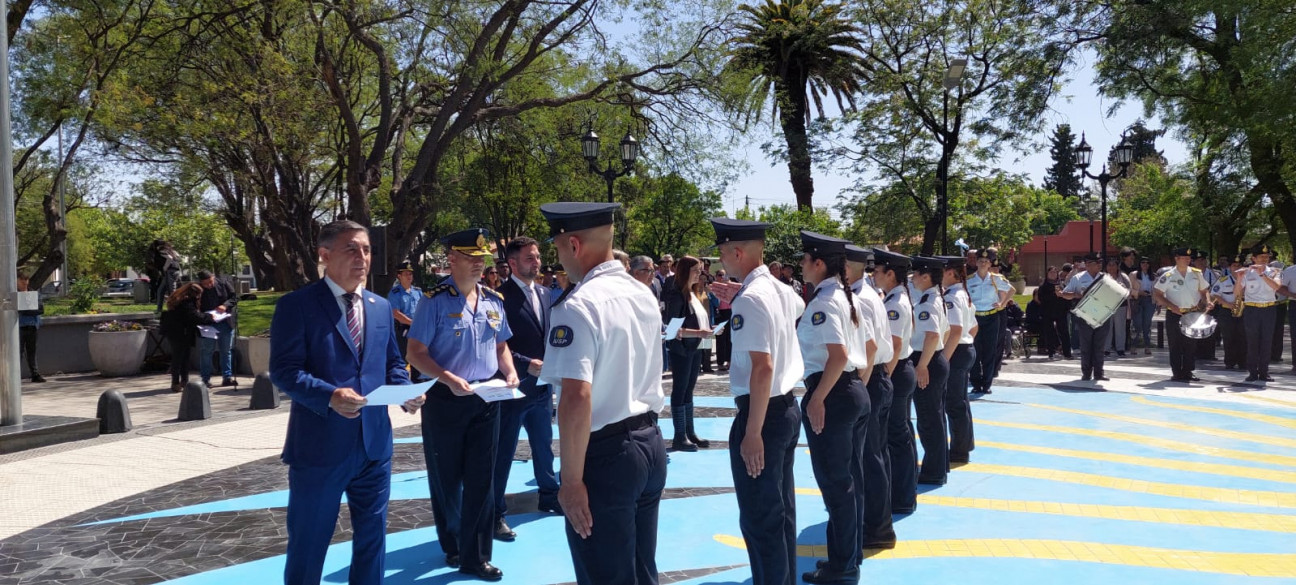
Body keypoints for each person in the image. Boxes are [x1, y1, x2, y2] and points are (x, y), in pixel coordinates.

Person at [269, 220, 424, 585]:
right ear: (325, 256)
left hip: (374, 447)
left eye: (367, 250)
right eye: (352, 249)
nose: (362, 257)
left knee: (372, 542)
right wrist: (330, 395)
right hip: (319, 449)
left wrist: (405, 392)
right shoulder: (297, 306)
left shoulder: (381, 306)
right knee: (309, 543)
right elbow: (284, 371)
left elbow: (390, 364)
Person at [537, 202, 668, 585]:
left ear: (574, 245)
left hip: (607, 455)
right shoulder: (641, 292)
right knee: (643, 571)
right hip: (649, 441)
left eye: (559, 249)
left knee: (604, 574)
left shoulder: (578, 305)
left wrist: (571, 482)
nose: (560, 260)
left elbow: (577, 398)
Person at [407, 227, 520, 582]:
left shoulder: (493, 300)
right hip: (446, 399)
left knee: (481, 479)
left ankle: (476, 555)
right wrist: (447, 378)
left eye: (481, 259)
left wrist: (511, 372)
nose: (477, 265)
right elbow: (416, 353)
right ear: (452, 259)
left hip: (487, 398)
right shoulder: (434, 301)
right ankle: (453, 543)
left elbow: (501, 345)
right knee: (448, 479)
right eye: (470, 258)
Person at [709, 217, 804, 585]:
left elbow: (761, 368)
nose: (721, 261)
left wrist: (752, 432)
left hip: (762, 413)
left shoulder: (751, 298)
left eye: (722, 252)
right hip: (785, 406)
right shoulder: (780, 288)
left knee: (760, 516)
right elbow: (795, 307)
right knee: (781, 510)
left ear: (737, 252)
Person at [793, 231, 871, 583]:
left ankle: (843, 567)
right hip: (849, 391)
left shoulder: (825, 302)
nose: (801, 266)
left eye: (804, 260)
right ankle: (847, 557)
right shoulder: (842, 295)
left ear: (819, 263)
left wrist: (819, 399)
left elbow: (837, 357)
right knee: (848, 481)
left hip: (833, 393)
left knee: (836, 485)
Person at [493, 236, 562, 545]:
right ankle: (495, 513)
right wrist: (523, 364)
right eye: (530, 258)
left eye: (537, 257)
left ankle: (549, 495)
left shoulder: (546, 294)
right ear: (512, 263)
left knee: (544, 445)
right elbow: (496, 345)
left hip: (542, 388)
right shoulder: (498, 298)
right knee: (503, 452)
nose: (537, 262)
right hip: (512, 389)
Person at [844, 244, 895, 550]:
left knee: (868, 458)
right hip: (877, 377)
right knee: (876, 455)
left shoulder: (859, 298)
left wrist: (861, 388)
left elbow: (871, 347)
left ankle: (876, 527)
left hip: (869, 378)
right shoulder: (869, 294)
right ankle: (879, 522)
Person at [872, 248, 917, 514]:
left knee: (896, 437)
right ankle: (904, 492)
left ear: (891, 274)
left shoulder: (895, 303)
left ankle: (901, 496)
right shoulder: (895, 298)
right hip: (900, 369)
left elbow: (896, 344)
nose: (873, 275)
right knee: (901, 434)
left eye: (878, 271)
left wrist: (884, 378)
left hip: (896, 370)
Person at [663, 255, 716, 452]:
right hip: (682, 349)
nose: (699, 274)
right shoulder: (677, 294)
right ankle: (679, 436)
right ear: (685, 271)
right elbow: (673, 327)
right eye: (696, 270)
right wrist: (700, 332)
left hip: (694, 348)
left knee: (689, 389)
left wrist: (708, 329)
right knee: (680, 389)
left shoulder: (693, 293)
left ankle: (689, 432)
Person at [908, 256, 951, 485]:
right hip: (934, 357)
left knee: (928, 418)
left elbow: (933, 335)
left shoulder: (927, 302)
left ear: (926, 276)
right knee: (934, 416)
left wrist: (922, 365)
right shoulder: (934, 298)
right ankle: (939, 465)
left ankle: (934, 471)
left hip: (927, 360)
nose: (912, 278)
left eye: (915, 274)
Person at [940, 256, 978, 463]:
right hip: (964, 348)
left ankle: (959, 450)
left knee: (954, 403)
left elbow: (955, 331)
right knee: (960, 401)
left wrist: (944, 360)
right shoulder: (962, 294)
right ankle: (964, 445)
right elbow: (973, 328)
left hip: (955, 351)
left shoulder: (952, 297)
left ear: (950, 273)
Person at [1153, 247, 1210, 383]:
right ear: (1177, 259)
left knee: (1190, 344)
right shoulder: (1168, 276)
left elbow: (1204, 290)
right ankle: (1177, 372)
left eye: (1189, 258)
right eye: (1185, 258)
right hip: (1175, 314)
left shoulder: (1196, 274)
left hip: (1192, 312)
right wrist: (1171, 306)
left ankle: (1188, 371)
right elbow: (1157, 294)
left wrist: (1207, 301)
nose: (1188, 260)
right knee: (1175, 344)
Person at [967, 248, 1013, 394]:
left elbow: (1011, 290)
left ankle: (986, 384)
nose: (983, 263)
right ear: (976, 263)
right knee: (974, 350)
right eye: (980, 261)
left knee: (990, 350)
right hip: (975, 318)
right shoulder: (969, 280)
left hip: (992, 317)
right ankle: (975, 382)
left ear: (989, 264)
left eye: (986, 261)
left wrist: (1002, 303)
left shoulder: (995, 278)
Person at [1060, 254, 1111, 382]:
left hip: (1102, 315)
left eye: (1100, 262)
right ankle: (1086, 373)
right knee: (1086, 345)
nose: (1100, 265)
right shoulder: (1078, 278)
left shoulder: (1106, 278)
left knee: (1099, 346)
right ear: (1088, 265)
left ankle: (1099, 373)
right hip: (1085, 315)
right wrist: (1078, 295)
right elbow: (1065, 294)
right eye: (1096, 262)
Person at [1239, 244, 1283, 382]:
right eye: (1261, 257)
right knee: (1252, 342)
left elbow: (1277, 287)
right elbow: (1237, 293)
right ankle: (1252, 372)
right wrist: (1239, 278)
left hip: (1268, 309)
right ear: (1254, 258)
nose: (1264, 259)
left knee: (1266, 341)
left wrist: (1262, 274)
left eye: (1266, 257)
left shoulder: (1275, 271)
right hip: (1252, 309)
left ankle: (1264, 372)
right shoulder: (1246, 272)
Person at [161, 283, 215, 392]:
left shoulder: (178, 297)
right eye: (198, 295)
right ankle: (178, 382)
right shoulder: (187, 301)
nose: (199, 297)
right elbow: (193, 316)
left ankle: (182, 381)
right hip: (181, 331)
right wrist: (209, 317)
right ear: (193, 293)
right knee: (181, 357)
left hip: (175, 331)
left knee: (181, 356)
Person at [196, 270, 240, 388]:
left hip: (225, 322)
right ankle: (205, 379)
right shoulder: (197, 289)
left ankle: (227, 377)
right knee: (206, 351)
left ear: (213, 277)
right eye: (205, 284)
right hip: (208, 324)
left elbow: (234, 298)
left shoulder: (224, 283)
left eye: (210, 282)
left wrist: (225, 305)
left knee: (226, 351)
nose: (209, 285)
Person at [1212, 254, 1247, 371]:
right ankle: (1229, 362)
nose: (1236, 268)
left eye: (1239, 265)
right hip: (1226, 311)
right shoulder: (1223, 280)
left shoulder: (1247, 280)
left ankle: (1243, 362)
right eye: (1234, 265)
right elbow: (1215, 294)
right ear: (1229, 267)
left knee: (1243, 336)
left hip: (1243, 310)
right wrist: (1228, 304)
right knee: (1228, 337)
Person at [387, 260, 422, 364]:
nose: (409, 276)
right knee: (402, 360)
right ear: (399, 276)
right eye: (405, 274)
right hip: (403, 331)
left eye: (410, 274)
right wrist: (413, 323)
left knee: (418, 360)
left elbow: (424, 309)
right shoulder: (395, 293)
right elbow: (396, 313)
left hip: (418, 330)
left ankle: (417, 380)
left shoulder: (418, 292)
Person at [16, 271, 45, 383]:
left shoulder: (34, 293)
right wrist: (29, 310)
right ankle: (16, 375)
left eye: (26, 282)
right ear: (17, 281)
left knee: (31, 351)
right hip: (19, 327)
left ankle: (35, 374)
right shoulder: (16, 295)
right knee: (18, 352)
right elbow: (19, 310)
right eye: (22, 282)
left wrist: (26, 310)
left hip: (32, 326)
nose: (24, 285)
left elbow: (40, 309)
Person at [1193, 251, 1221, 361]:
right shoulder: (1191, 274)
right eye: (1198, 260)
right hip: (1195, 305)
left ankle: (1209, 354)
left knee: (1210, 329)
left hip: (1210, 304)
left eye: (1203, 260)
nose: (1201, 262)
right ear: (1194, 262)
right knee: (1196, 328)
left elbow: (1217, 289)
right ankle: (1195, 352)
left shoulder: (1215, 274)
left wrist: (1209, 301)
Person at [1038, 266, 1071, 359]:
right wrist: (1053, 294)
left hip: (1060, 311)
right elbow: (1041, 299)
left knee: (1064, 332)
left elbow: (1067, 297)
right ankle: (1051, 351)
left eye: (1054, 272)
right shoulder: (1043, 286)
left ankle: (1067, 352)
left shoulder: (1061, 285)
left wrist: (1062, 296)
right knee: (1049, 332)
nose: (1053, 274)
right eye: (1051, 272)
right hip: (1048, 312)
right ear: (1047, 274)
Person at [1104, 257, 1133, 357]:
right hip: (1106, 305)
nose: (1111, 267)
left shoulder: (1123, 277)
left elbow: (1129, 290)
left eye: (1113, 265)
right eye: (1109, 265)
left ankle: (1120, 348)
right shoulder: (1103, 276)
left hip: (1120, 305)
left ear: (1117, 266)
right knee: (1107, 327)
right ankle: (1106, 349)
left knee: (1120, 327)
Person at [146, 239, 182, 312]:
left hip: (170, 271)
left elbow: (169, 258)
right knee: (160, 290)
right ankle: (159, 309)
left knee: (172, 292)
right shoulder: (172, 250)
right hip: (175, 270)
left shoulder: (162, 250)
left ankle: (175, 309)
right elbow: (178, 258)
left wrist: (164, 268)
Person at [1130, 257, 1156, 355]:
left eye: (1147, 262)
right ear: (1139, 264)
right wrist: (1139, 292)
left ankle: (1147, 346)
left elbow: (1156, 291)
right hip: (1137, 300)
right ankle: (1133, 346)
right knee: (1137, 324)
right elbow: (1128, 289)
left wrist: (1158, 304)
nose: (1145, 264)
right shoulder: (1134, 275)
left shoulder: (1153, 276)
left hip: (1149, 300)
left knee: (1147, 324)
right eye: (1143, 262)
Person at [714, 268, 734, 371]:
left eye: (724, 275)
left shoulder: (730, 287)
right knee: (720, 338)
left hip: (730, 313)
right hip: (719, 314)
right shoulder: (713, 287)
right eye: (720, 275)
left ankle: (729, 360)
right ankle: (720, 362)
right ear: (716, 277)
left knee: (730, 338)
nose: (722, 277)